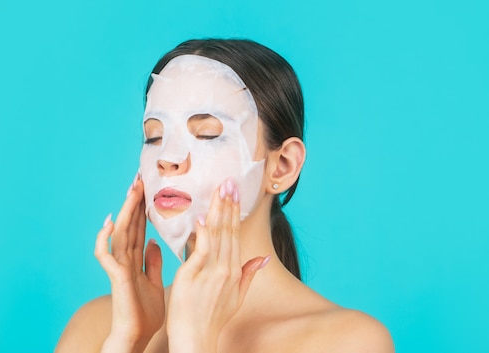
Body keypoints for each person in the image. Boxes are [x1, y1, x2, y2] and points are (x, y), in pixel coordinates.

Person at [55, 39, 394, 353]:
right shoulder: (96, 327)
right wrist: (129, 339)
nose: (167, 157)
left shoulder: (346, 341)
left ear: (282, 167)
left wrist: (194, 341)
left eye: (207, 134)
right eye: (154, 136)